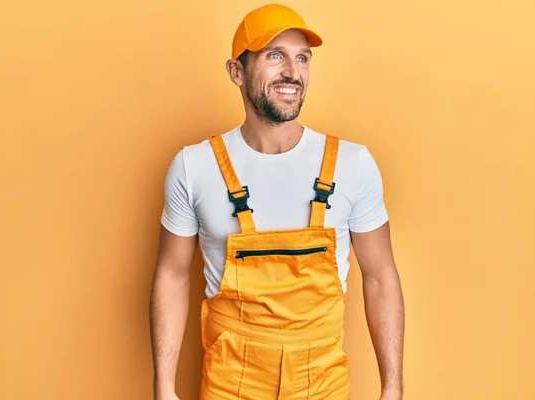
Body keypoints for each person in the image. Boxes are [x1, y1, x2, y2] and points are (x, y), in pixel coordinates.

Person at [150, 4, 405, 400]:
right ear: (236, 71)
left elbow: (380, 277)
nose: (293, 71)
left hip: (322, 384)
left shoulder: (353, 164)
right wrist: (164, 387)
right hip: (230, 383)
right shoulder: (194, 166)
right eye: (275, 56)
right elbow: (172, 274)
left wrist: (393, 387)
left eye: (302, 58)